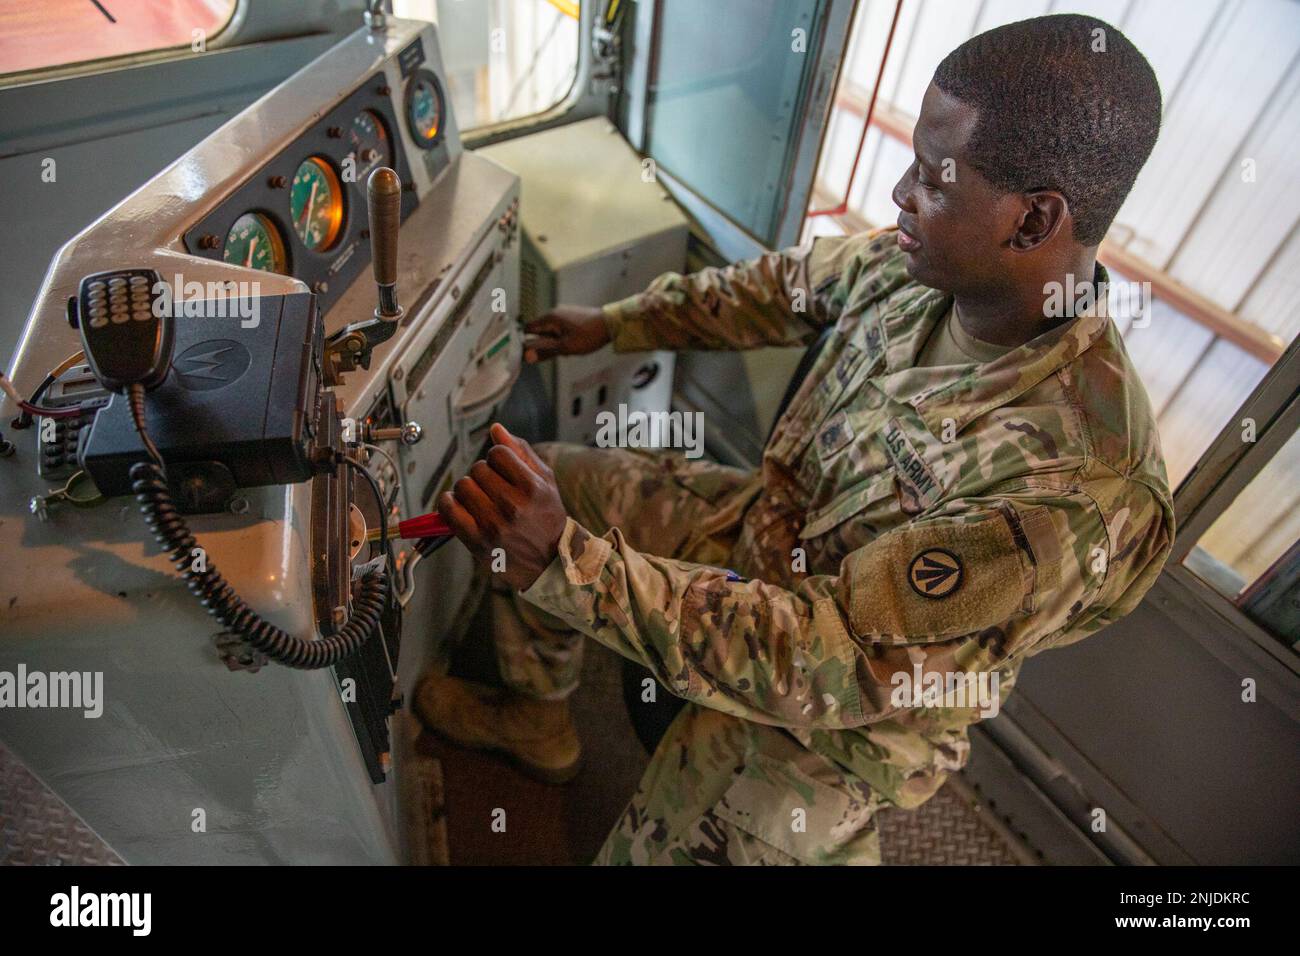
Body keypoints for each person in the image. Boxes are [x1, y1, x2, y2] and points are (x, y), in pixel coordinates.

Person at [416, 12, 1173, 864]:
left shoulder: (1077, 485)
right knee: (546, 478)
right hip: (772, 536)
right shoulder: (920, 265)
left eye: (934, 179)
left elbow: (835, 658)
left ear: (1034, 223)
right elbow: (782, 289)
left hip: (850, 714)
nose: (899, 195)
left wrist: (568, 564)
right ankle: (540, 719)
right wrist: (617, 324)